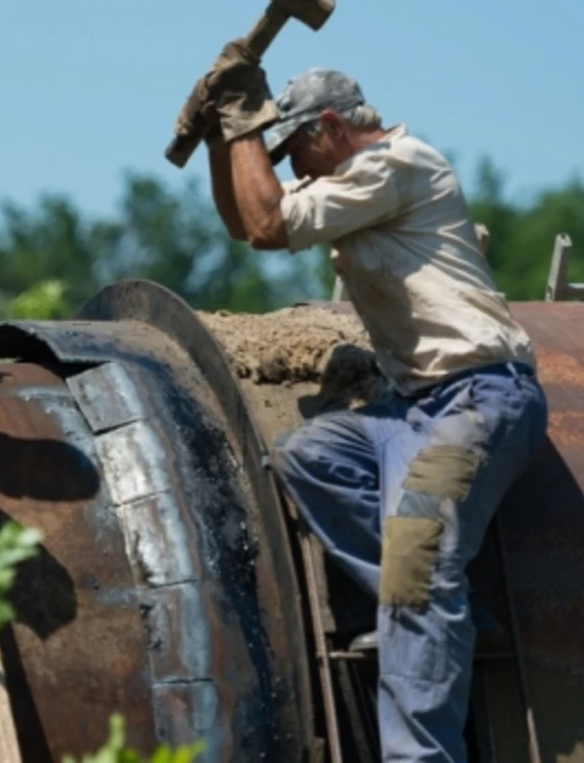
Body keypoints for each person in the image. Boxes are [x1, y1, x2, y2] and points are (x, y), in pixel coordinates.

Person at [178, 47, 549, 761]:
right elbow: (247, 224)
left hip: (479, 397)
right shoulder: (352, 179)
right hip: (414, 411)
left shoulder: (397, 164)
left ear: (328, 127)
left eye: (295, 149)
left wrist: (244, 121)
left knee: (415, 563)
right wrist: (229, 135)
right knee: (306, 454)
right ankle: (451, 610)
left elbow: (265, 223)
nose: (292, 167)